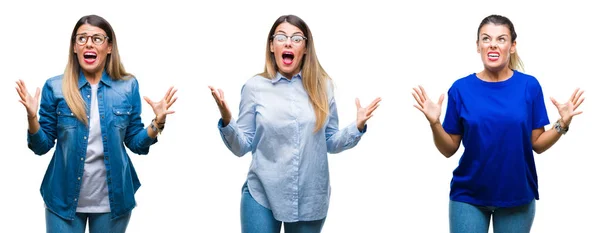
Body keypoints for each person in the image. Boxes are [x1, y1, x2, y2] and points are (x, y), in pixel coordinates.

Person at [412, 14, 585, 233]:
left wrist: (562, 124)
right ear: (478, 46)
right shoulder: (460, 89)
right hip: (469, 196)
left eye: (501, 39)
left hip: (517, 195)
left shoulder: (529, 86)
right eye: (486, 38)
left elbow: (538, 144)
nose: (493, 44)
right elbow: (448, 149)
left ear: (512, 46)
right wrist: (435, 123)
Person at [209, 14, 381, 233]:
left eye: (296, 38)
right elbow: (241, 147)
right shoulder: (254, 87)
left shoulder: (323, 87)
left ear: (306, 48)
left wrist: (356, 127)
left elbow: (329, 141)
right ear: (272, 45)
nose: (288, 42)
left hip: (310, 199)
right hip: (261, 194)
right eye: (281, 37)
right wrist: (226, 119)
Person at [15, 14, 177, 233]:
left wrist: (157, 122)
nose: (88, 43)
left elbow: (136, 143)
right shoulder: (55, 87)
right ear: (74, 47)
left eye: (97, 38)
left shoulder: (127, 87)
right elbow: (40, 146)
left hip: (113, 201)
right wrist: (32, 118)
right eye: (82, 38)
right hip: (62, 199)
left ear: (109, 47)